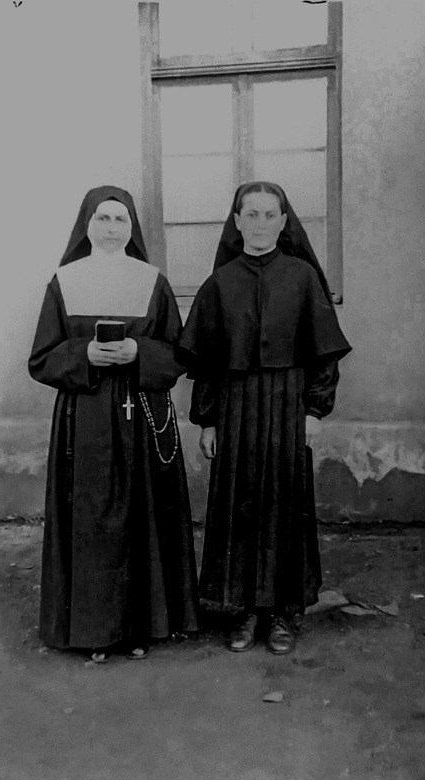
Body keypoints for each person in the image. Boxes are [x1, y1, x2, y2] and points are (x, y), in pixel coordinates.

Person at [177, 181, 351, 655]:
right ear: (236, 222)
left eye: (269, 214)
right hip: (234, 405)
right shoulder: (219, 284)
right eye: (250, 214)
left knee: (283, 503)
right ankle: (243, 611)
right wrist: (207, 421)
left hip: (287, 403)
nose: (259, 223)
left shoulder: (302, 277)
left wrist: (314, 410)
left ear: (283, 221)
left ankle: (280, 614)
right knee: (238, 503)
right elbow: (206, 362)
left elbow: (324, 355)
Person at [28, 185, 199, 662]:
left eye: (120, 219)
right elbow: (41, 358)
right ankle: (93, 632)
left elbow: (180, 352)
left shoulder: (152, 281)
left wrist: (138, 351)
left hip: (142, 411)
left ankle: (140, 627)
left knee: (142, 515)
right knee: (92, 521)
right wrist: (83, 352)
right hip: (84, 416)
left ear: (132, 228)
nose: (111, 228)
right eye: (102, 219)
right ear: (86, 226)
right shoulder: (64, 281)